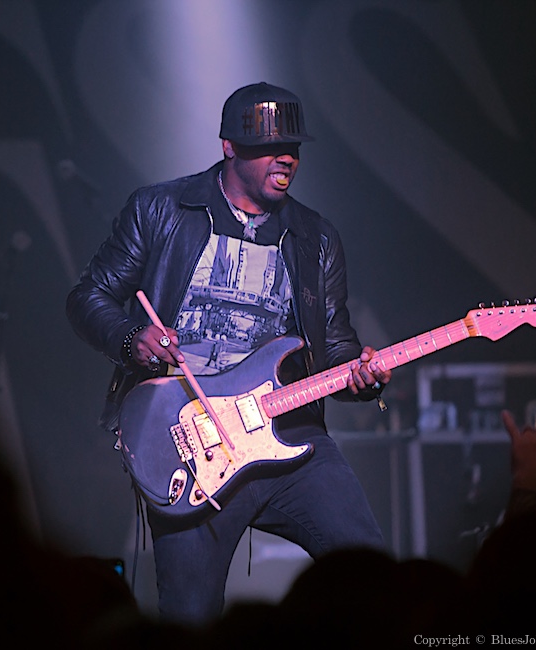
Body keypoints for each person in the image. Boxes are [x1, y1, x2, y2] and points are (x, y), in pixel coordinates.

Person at [66, 82, 392, 626]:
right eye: (271, 145)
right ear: (229, 147)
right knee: (190, 620)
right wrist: (131, 339)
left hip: (288, 433)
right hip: (190, 444)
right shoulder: (160, 209)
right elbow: (87, 297)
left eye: (295, 147)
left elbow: (335, 347)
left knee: (376, 584)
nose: (287, 156)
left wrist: (366, 376)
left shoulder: (315, 238)